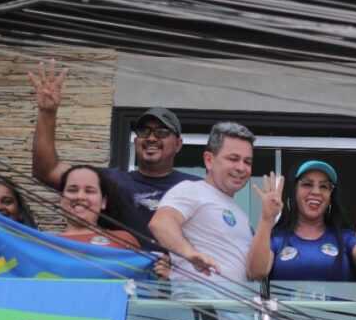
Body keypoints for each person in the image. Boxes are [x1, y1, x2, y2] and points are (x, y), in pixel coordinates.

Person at [29, 60, 195, 248]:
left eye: (162, 132)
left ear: (178, 144)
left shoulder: (197, 188)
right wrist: (47, 112)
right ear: (135, 141)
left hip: (181, 268)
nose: (151, 138)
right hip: (121, 267)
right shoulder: (114, 182)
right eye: (144, 131)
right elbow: (46, 170)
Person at [246, 160, 356, 282]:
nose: (316, 192)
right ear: (293, 192)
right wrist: (266, 218)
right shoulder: (277, 239)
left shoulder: (345, 238)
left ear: (330, 197)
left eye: (324, 186)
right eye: (307, 184)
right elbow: (255, 272)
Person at [150, 122, 255, 283]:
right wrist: (189, 253)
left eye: (247, 162)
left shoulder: (242, 215)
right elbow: (161, 223)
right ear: (209, 160)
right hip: (197, 298)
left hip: (237, 299)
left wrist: (268, 219)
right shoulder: (192, 190)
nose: (241, 167)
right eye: (233, 159)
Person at [57, 165, 139, 249]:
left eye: (89, 191)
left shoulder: (124, 240)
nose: (80, 196)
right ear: (61, 199)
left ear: (103, 202)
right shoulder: (48, 246)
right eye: (72, 190)